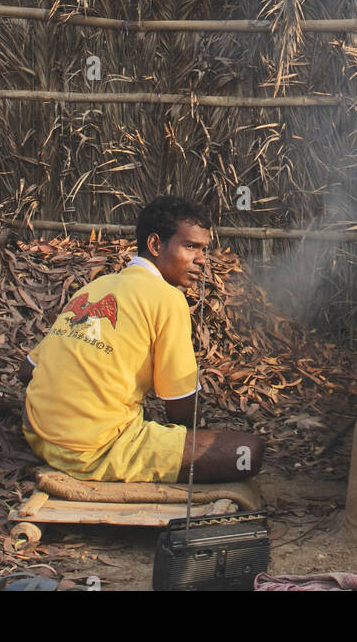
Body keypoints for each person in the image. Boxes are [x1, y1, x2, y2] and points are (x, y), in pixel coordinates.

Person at [19, 195, 264, 484]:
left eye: (204, 250)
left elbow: (27, 371)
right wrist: (183, 442)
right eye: (190, 247)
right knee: (249, 451)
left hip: (36, 433)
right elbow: (180, 405)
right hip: (91, 449)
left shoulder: (97, 287)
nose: (202, 260)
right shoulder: (168, 299)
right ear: (155, 245)